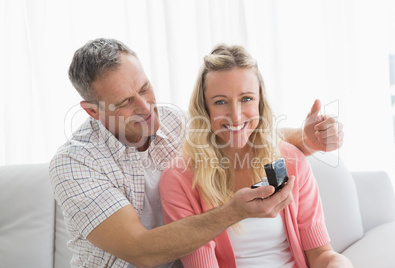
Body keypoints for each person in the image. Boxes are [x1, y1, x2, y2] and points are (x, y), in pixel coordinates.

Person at [49, 38, 344, 268]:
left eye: (145, 87)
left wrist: (305, 140)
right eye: (126, 101)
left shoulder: (172, 121)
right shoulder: (75, 163)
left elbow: (235, 130)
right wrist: (235, 211)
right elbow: (140, 252)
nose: (145, 107)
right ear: (92, 112)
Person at [159, 44, 352, 267]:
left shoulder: (288, 162)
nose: (236, 115)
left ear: (260, 102)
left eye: (246, 98)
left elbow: (320, 254)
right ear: (204, 108)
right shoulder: (180, 178)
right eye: (220, 101)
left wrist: (338, 264)